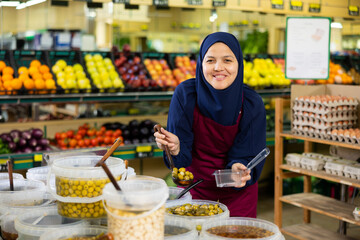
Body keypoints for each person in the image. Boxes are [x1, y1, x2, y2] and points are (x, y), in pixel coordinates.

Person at [154, 32, 266, 217]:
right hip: (195, 193)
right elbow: (179, 162)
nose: (218, 67)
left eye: (227, 60)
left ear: (239, 63)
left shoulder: (252, 103)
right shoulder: (186, 95)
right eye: (210, 60)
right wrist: (175, 148)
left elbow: (249, 152)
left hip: (238, 198)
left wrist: (240, 166)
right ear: (200, 63)